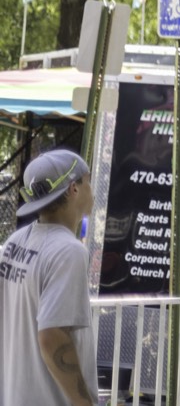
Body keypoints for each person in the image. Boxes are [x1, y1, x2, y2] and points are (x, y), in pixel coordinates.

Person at [0, 150, 97, 406]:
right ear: (73, 189)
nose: (91, 187)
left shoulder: (14, 242)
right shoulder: (69, 252)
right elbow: (52, 336)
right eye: (88, 180)